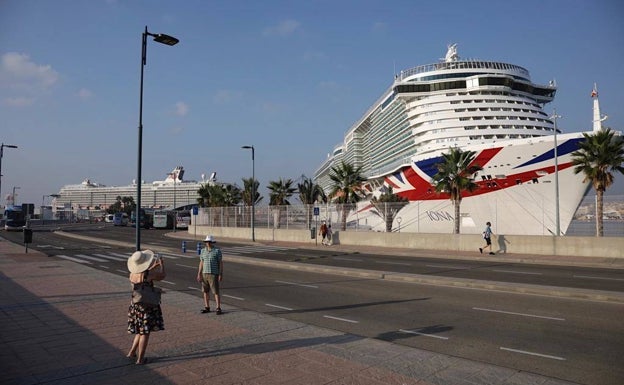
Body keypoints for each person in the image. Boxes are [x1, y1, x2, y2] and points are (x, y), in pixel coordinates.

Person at [126, 250, 166, 365]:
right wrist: (162, 265)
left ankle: (132, 352)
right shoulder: (148, 275)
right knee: (145, 333)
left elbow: (143, 273)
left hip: (135, 305)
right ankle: (140, 359)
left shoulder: (132, 274)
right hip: (146, 306)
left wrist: (154, 265)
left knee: (140, 331)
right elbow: (162, 275)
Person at [197, 235, 223, 315]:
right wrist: (199, 273)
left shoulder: (217, 251)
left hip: (213, 274)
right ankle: (207, 307)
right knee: (205, 291)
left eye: (209, 242)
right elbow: (201, 262)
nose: (207, 243)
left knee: (216, 292)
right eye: (206, 242)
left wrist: (220, 274)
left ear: (212, 242)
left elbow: (220, 263)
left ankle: (218, 308)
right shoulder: (202, 251)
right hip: (205, 274)